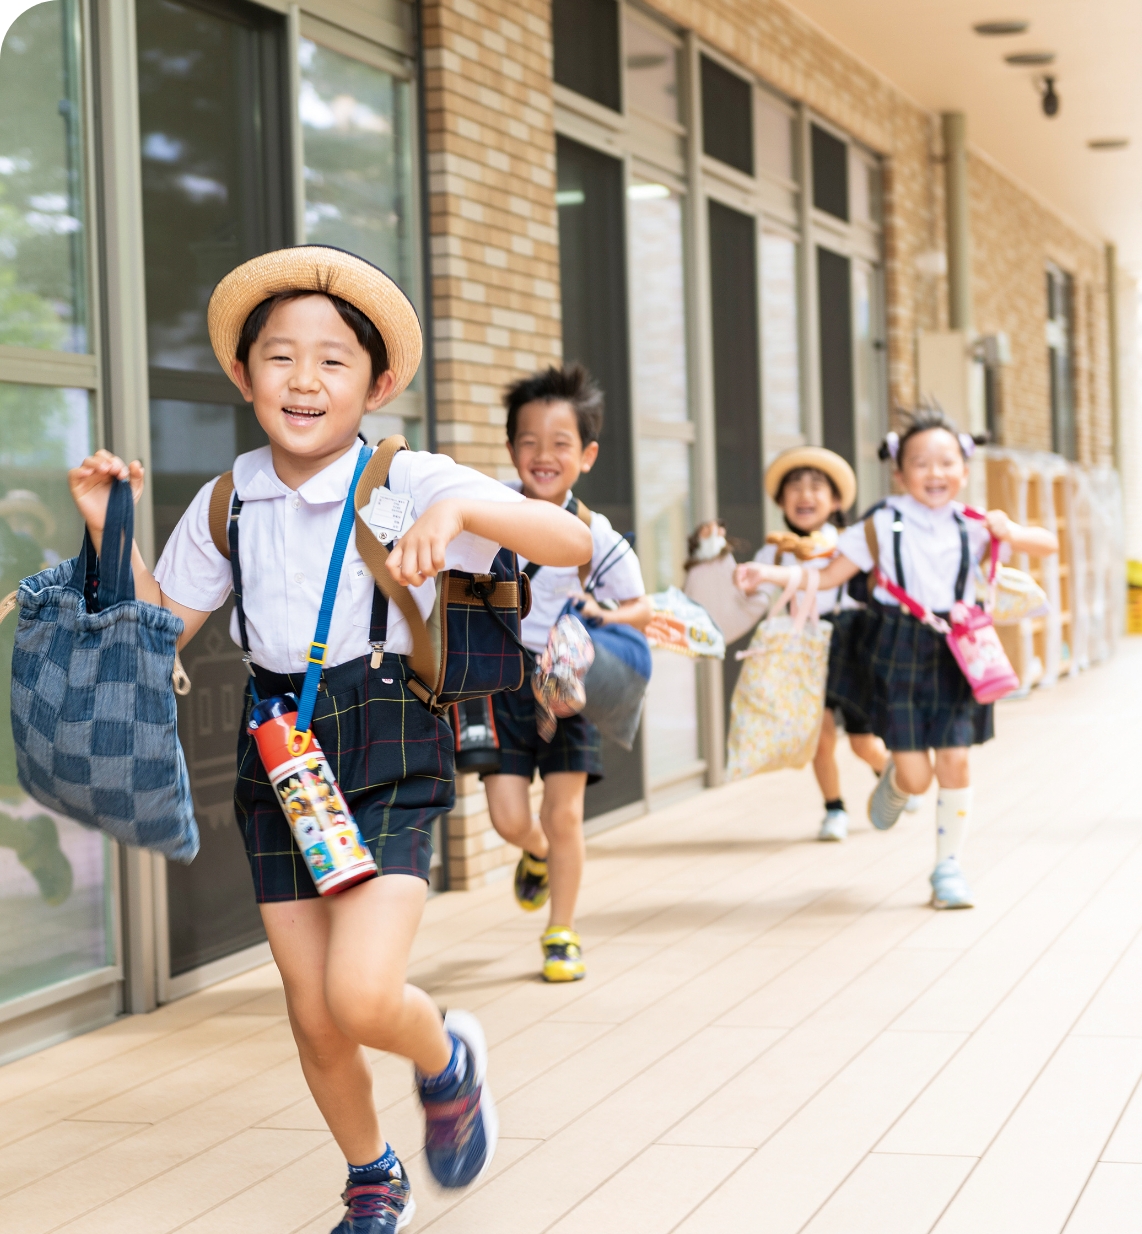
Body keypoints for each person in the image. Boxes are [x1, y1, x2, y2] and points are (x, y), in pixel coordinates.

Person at [66, 247, 592, 1234]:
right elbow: (149, 630)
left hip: (390, 741)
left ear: (377, 382)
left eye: (331, 361)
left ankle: (446, 1059)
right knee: (312, 1015)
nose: (303, 380)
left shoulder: (410, 474)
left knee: (359, 993)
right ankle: (371, 1174)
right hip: (280, 757)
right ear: (243, 375)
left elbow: (564, 542)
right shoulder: (228, 499)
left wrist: (460, 507)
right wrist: (107, 526)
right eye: (278, 357)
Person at [737, 406, 1057, 910]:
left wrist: (1009, 531)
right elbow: (825, 574)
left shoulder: (975, 525)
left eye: (946, 462)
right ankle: (898, 778)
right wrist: (769, 575)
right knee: (917, 777)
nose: (935, 473)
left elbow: (1049, 543)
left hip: (956, 649)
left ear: (964, 470)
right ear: (900, 471)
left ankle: (947, 868)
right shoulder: (881, 524)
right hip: (897, 648)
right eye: (921, 463)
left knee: (955, 758)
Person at [482, 364, 650, 983]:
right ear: (510, 449)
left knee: (566, 812)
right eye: (529, 442)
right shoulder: (489, 512)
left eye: (560, 444)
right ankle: (537, 853)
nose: (543, 456)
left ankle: (562, 930)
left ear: (587, 455)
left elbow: (642, 607)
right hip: (498, 679)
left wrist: (607, 611)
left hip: (568, 681)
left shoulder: (595, 533)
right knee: (507, 816)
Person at [755, 446, 916, 842]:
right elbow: (757, 602)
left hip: (849, 643)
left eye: (815, 487)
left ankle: (889, 776)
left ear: (836, 501)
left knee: (863, 741)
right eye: (794, 488)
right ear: (780, 501)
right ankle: (834, 809)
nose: (804, 496)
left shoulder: (848, 543)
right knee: (820, 736)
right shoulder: (772, 552)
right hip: (802, 646)